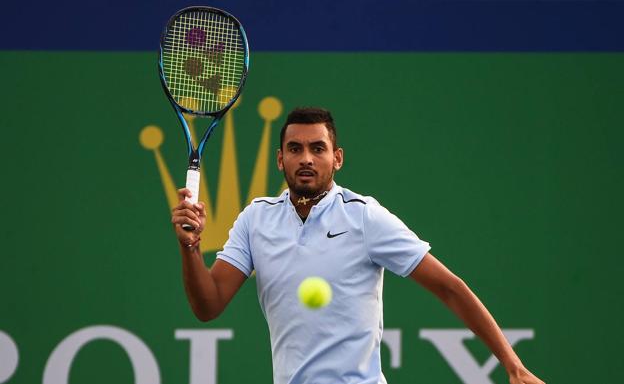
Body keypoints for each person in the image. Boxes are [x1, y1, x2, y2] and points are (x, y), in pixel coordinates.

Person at [171, 107, 546, 384]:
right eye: (295, 148)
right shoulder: (256, 219)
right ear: (279, 159)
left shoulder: (364, 216)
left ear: (337, 159)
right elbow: (209, 304)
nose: (306, 158)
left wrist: (513, 366)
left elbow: (450, 288)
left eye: (318, 148)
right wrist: (190, 248)